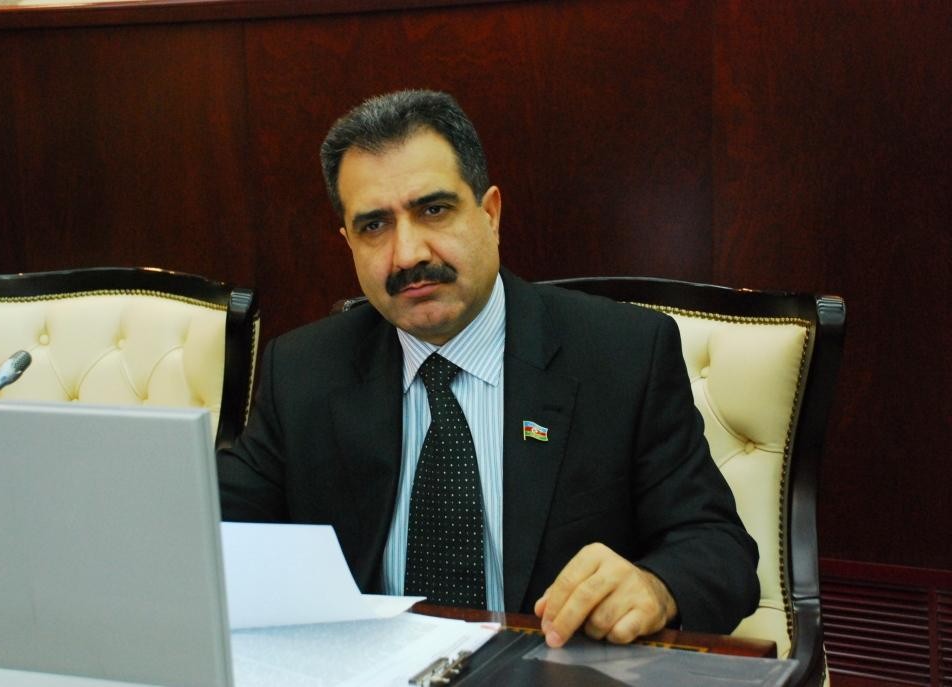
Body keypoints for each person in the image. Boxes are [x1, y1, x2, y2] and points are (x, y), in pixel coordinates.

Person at [217, 89, 759, 648]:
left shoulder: (622, 355)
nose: (407, 254)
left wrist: (656, 587)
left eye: (434, 210)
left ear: (490, 213)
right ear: (348, 242)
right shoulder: (303, 371)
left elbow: (718, 549)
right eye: (374, 226)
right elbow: (214, 526)